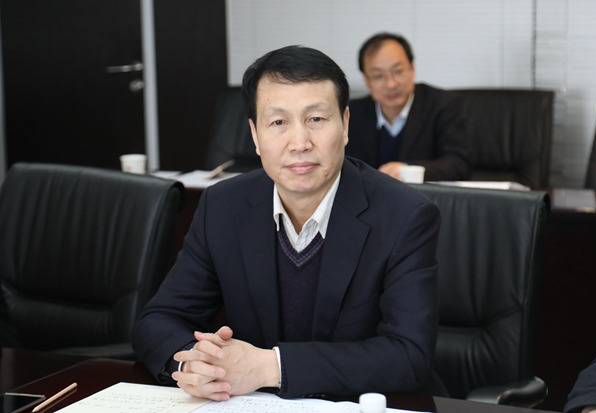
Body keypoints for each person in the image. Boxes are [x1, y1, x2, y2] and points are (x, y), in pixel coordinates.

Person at [133, 45, 442, 401]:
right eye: (278, 122)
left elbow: (408, 355)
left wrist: (271, 367)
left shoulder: (404, 215)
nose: (299, 143)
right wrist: (197, 365)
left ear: (345, 125)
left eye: (316, 119)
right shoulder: (223, 206)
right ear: (255, 135)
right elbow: (158, 321)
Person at [345, 32, 471, 182]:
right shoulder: (351, 114)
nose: (391, 84)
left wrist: (407, 170)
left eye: (398, 71)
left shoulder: (443, 105)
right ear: (366, 80)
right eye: (379, 76)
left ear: (412, 69)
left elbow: (459, 165)